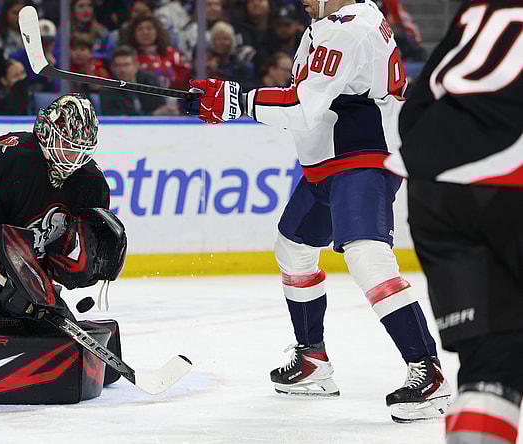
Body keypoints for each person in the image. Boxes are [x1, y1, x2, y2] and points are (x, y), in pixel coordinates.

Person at [185, 0, 451, 423]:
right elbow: (311, 106)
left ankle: (429, 373)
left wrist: (233, 99)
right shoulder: (336, 22)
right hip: (328, 163)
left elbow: (301, 106)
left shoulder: (344, 30)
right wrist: (232, 99)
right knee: (292, 249)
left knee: (369, 260)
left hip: (361, 160)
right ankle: (312, 360)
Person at [383, 0, 523, 441]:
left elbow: (417, 107)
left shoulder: (482, 6)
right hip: (509, 178)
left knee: (492, 366)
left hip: (434, 192)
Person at [0, 93, 123, 337]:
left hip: (33, 293)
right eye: (66, 147)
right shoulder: (8, 157)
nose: (72, 159)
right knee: (8, 356)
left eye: (80, 151)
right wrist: (12, 274)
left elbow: (64, 253)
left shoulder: (91, 184)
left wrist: (90, 264)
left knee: (63, 352)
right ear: (46, 132)